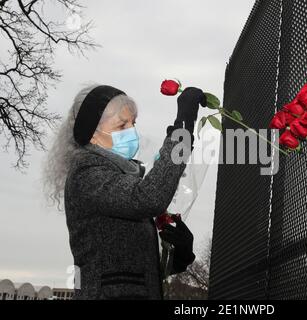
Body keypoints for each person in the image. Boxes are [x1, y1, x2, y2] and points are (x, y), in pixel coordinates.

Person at [43, 84, 206, 299]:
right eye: (122, 125)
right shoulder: (87, 173)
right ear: (92, 134)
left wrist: (176, 256)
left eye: (133, 123)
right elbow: (149, 198)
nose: (132, 131)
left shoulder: (125, 175)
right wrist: (182, 131)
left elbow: (131, 264)